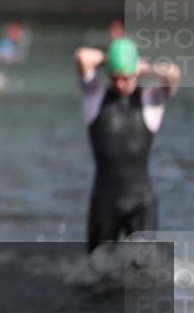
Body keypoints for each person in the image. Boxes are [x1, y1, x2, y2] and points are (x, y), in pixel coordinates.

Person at [74, 38, 181, 253]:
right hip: (104, 203)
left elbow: (173, 73)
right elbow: (81, 57)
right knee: (97, 278)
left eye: (126, 77)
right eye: (115, 77)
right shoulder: (95, 96)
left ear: (135, 73)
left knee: (141, 278)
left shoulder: (152, 101)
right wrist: (111, 59)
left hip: (141, 204)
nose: (120, 83)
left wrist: (142, 67)